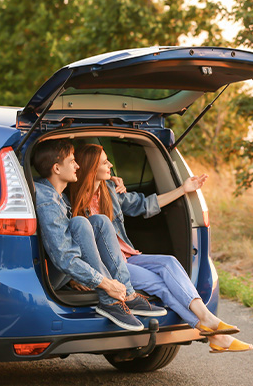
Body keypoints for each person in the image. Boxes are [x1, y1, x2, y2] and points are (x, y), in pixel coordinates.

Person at [66, 143, 253, 353]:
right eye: (104, 162)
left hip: (128, 255)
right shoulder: (69, 199)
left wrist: (184, 189)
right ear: (91, 168)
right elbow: (65, 246)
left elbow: (145, 205)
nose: (110, 164)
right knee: (161, 285)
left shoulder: (110, 190)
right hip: (110, 267)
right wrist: (74, 276)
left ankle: (208, 321)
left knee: (169, 262)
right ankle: (213, 330)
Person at [28, 139, 167, 331]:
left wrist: (110, 180)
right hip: (51, 275)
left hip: (69, 269)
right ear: (57, 168)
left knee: (98, 221)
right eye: (72, 161)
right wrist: (107, 284)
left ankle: (127, 295)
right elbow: (64, 259)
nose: (77, 165)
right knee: (80, 222)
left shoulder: (59, 196)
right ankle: (110, 301)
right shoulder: (47, 200)